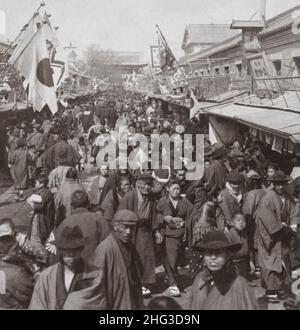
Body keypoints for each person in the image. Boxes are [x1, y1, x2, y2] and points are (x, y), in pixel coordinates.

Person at [63, 210, 144, 310]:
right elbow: (96, 283)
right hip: (115, 301)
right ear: (115, 226)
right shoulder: (105, 249)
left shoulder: (129, 245)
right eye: (124, 227)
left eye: (132, 228)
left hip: (131, 297)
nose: (128, 232)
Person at [256, 170, 300, 303]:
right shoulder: (268, 198)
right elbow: (265, 217)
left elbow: (294, 212)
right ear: (273, 184)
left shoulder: (288, 197)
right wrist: (280, 227)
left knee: (283, 260)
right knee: (270, 262)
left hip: (283, 234)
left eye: (282, 184)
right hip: (271, 235)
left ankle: (280, 288)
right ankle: (270, 291)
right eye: (277, 184)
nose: (280, 187)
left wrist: (293, 225)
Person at [30, 226, 98, 310]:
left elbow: (99, 303)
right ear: (61, 250)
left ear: (81, 249)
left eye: (76, 250)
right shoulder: (46, 276)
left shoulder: (95, 275)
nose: (71, 254)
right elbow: (37, 305)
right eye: (67, 250)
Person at [188, 230, 260, 310]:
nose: (213, 257)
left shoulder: (238, 284)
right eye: (208, 252)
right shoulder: (199, 280)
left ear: (227, 256)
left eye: (218, 252)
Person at [118, 173, 157, 297]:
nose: (147, 187)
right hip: (131, 231)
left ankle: (144, 284)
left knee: (146, 257)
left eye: (149, 185)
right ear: (138, 184)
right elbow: (121, 215)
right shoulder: (130, 196)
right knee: (132, 257)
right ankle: (134, 283)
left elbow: (154, 215)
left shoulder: (151, 198)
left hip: (145, 231)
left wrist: (156, 231)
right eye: (145, 184)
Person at [49, 190, 111, 262]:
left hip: (74, 268)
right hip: (97, 267)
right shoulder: (99, 219)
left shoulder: (64, 224)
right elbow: (109, 244)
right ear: (88, 204)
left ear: (72, 206)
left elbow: (54, 251)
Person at [155, 179, 193, 297]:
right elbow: (155, 215)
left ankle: (170, 276)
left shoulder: (185, 202)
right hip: (168, 234)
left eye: (178, 189)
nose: (176, 191)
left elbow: (192, 214)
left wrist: (185, 223)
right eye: (174, 189)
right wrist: (164, 218)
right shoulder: (162, 202)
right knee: (171, 257)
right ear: (167, 189)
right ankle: (173, 284)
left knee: (176, 258)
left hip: (181, 234)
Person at [0, 235, 35, 309]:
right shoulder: (18, 274)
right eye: (15, 250)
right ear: (3, 256)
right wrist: (37, 272)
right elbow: (36, 290)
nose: (20, 251)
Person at [27, 175, 55, 245]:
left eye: (36, 183)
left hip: (43, 218)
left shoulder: (44, 193)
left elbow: (39, 207)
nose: (35, 184)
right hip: (42, 216)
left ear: (42, 184)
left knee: (41, 235)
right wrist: (33, 212)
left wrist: (30, 202)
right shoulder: (44, 191)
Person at [226, 212, 255, 279]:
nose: (241, 223)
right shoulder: (229, 235)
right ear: (232, 223)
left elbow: (248, 249)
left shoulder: (244, 234)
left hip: (243, 263)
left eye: (243, 220)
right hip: (233, 264)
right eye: (238, 220)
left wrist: (251, 261)